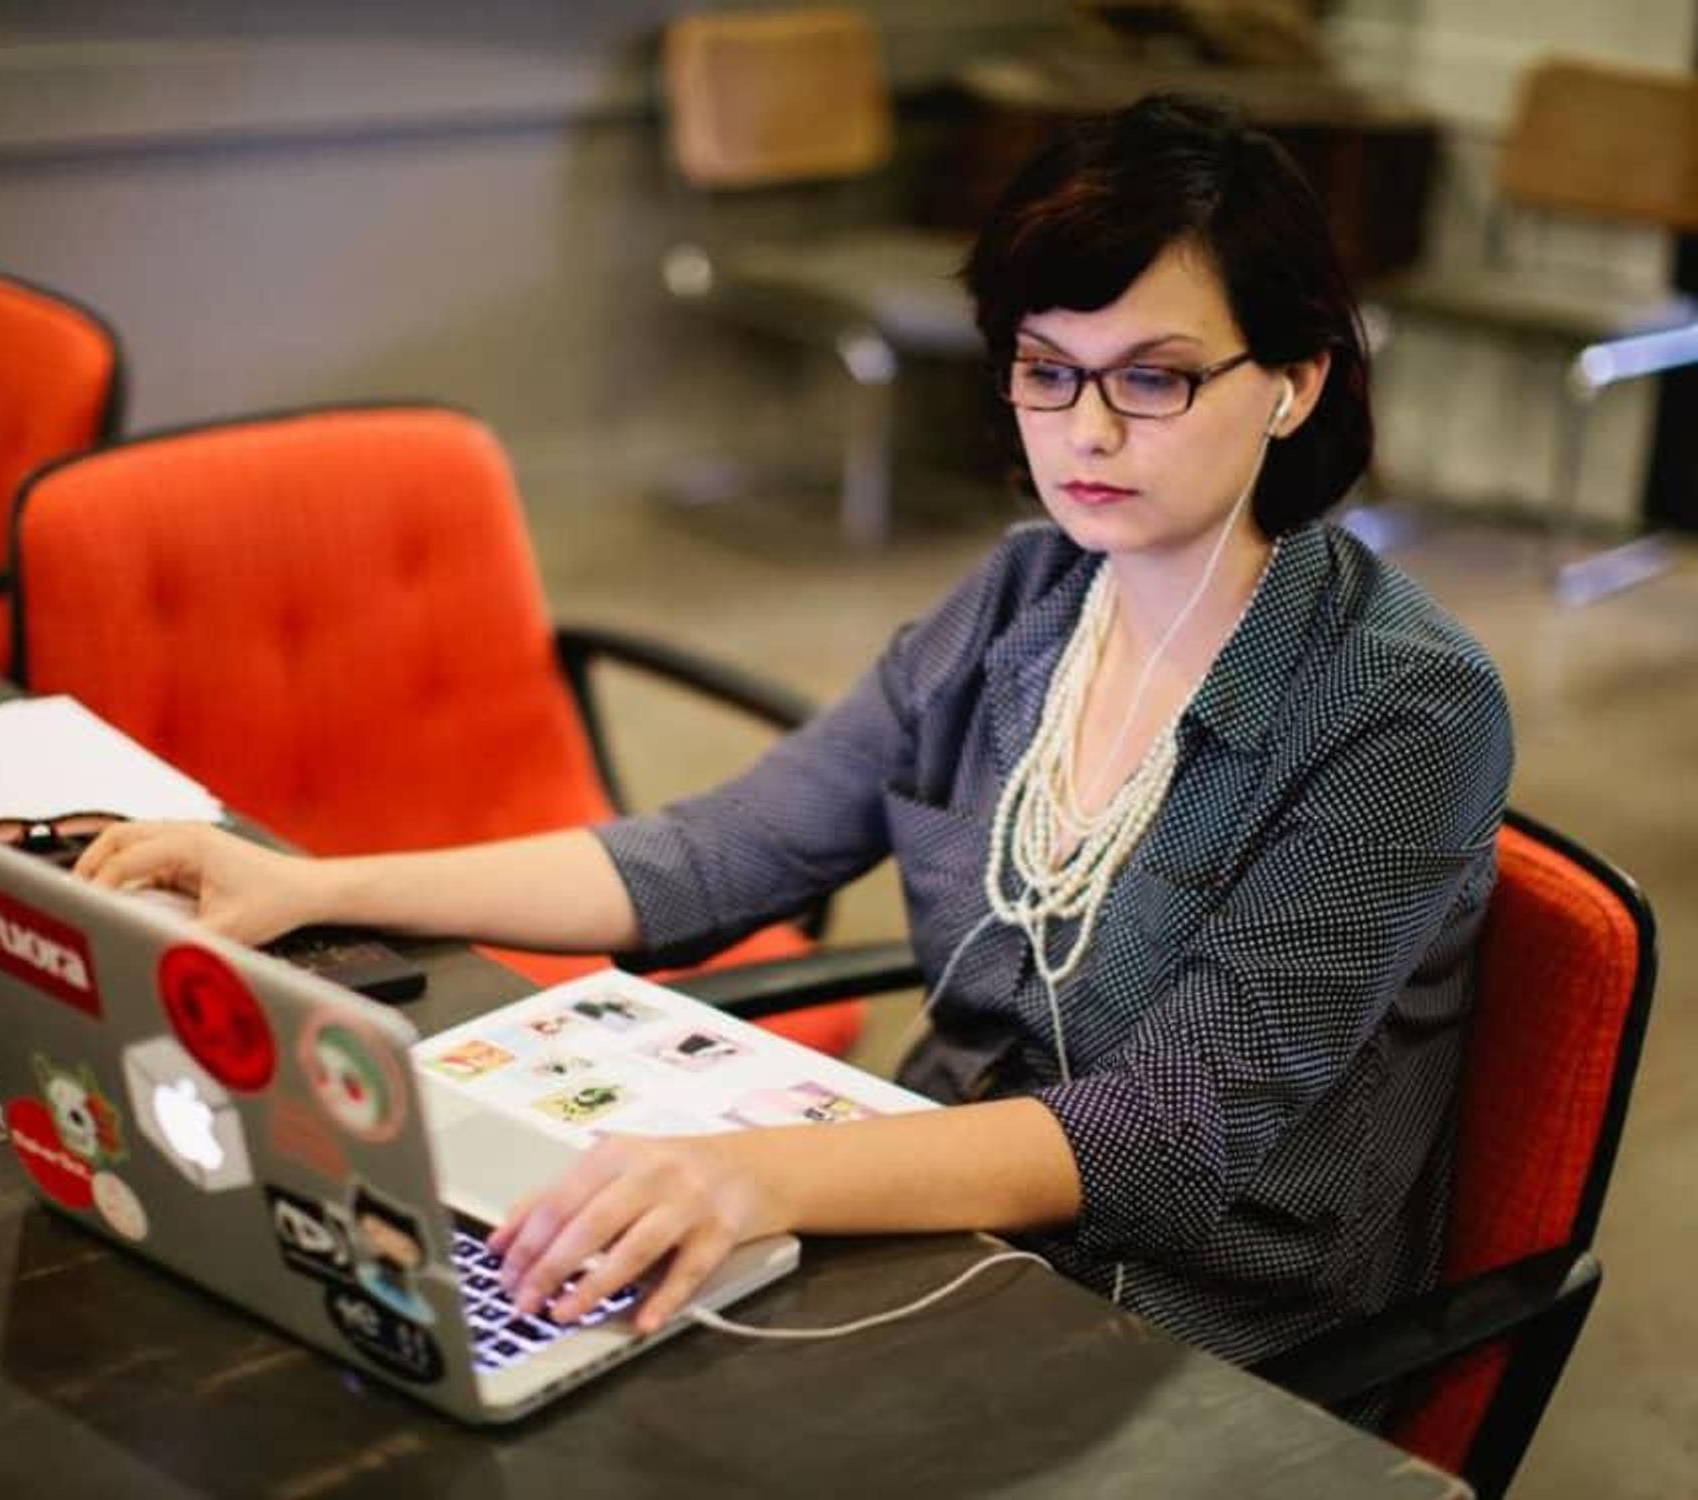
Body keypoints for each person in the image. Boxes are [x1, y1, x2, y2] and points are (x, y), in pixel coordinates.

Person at [75, 95, 1511, 1394]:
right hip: (935, 1213)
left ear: (1295, 382)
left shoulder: (1403, 707)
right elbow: (721, 851)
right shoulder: (1029, 596)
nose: (1086, 432)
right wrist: (312, 885)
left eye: (1154, 379)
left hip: (1192, 1331)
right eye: (1045, 370)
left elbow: (1167, 1133)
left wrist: (759, 1179)